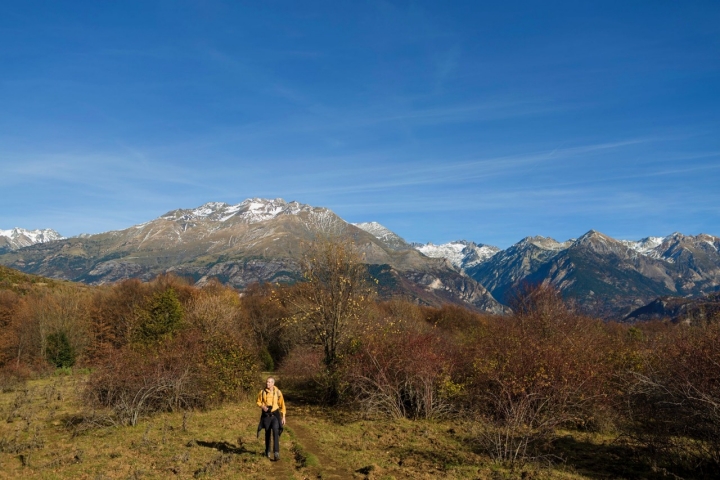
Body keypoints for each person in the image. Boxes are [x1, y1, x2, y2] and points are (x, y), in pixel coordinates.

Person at [256, 376, 286, 461]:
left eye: (269, 382)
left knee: (275, 431)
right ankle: (267, 451)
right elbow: (258, 401)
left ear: (273, 383)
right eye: (267, 382)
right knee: (267, 433)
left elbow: (282, 404)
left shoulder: (278, 392)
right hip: (266, 416)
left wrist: (283, 416)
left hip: (275, 416)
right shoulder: (262, 392)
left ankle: (276, 452)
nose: (267, 383)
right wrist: (262, 406)